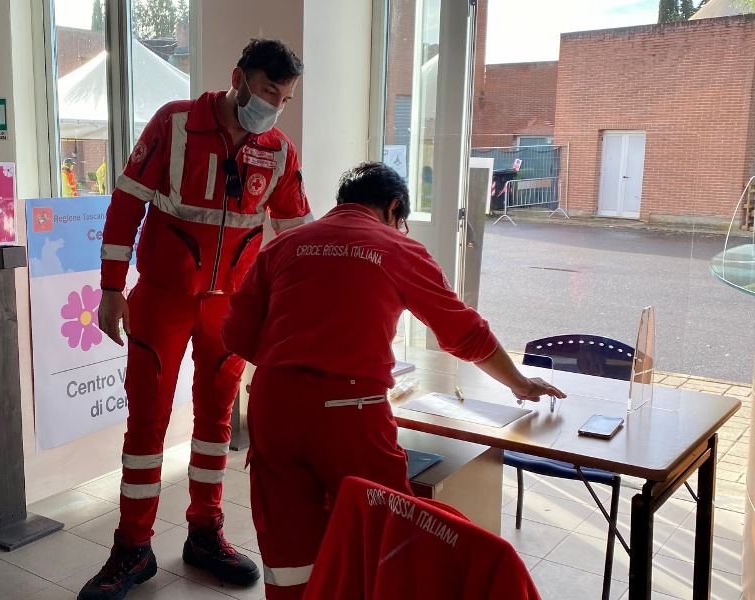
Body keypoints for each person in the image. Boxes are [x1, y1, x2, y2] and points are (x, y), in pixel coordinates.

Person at [221, 161, 566, 600]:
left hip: (274, 407)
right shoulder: (398, 248)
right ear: (392, 207)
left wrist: (294, 366)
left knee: (288, 545)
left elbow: (236, 333)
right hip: (348, 413)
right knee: (386, 531)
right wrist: (519, 383)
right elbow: (465, 334)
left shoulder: (285, 245)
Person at [78, 38, 311, 600]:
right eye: (267, 92)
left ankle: (205, 531)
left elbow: (294, 237)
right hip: (162, 299)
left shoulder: (279, 150)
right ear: (238, 78)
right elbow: (126, 204)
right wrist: (111, 289)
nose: (274, 106)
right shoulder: (175, 123)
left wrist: (289, 308)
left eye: (284, 99)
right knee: (147, 422)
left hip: (231, 307)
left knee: (217, 424)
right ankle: (133, 546)